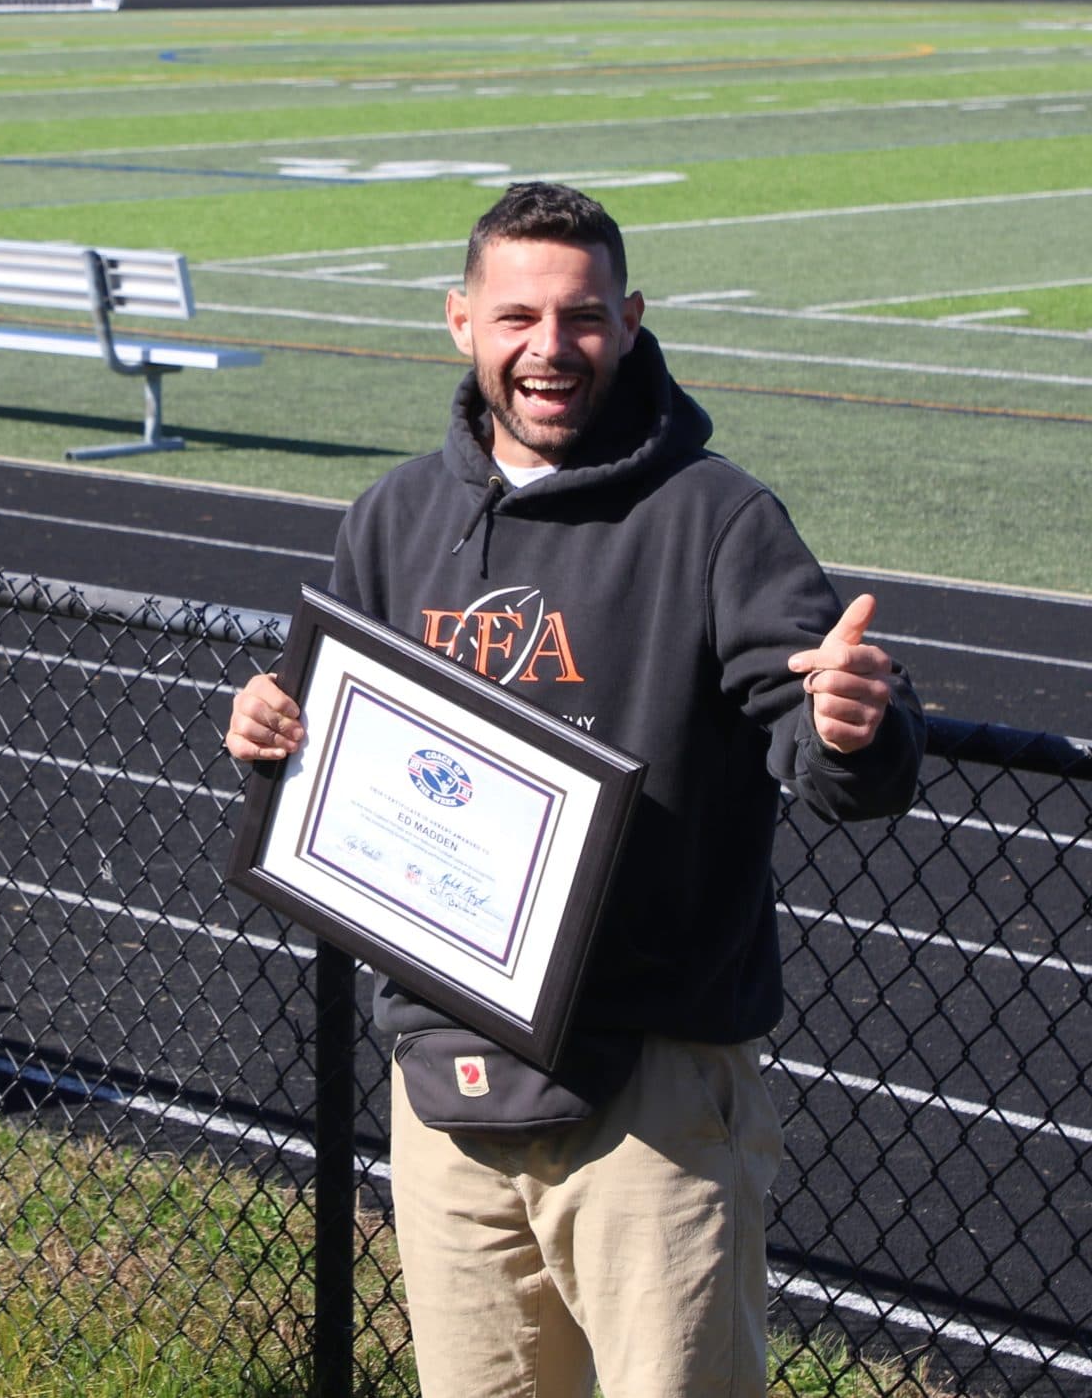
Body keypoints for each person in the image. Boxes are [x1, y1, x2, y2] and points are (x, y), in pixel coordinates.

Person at [224, 182, 924, 1398]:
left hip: (644, 1094)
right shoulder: (393, 515)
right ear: (459, 322)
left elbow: (830, 753)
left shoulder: (715, 517)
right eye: (516, 316)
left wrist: (853, 724)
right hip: (442, 1085)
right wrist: (267, 735)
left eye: (583, 317)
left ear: (632, 319)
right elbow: (326, 741)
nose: (549, 349)